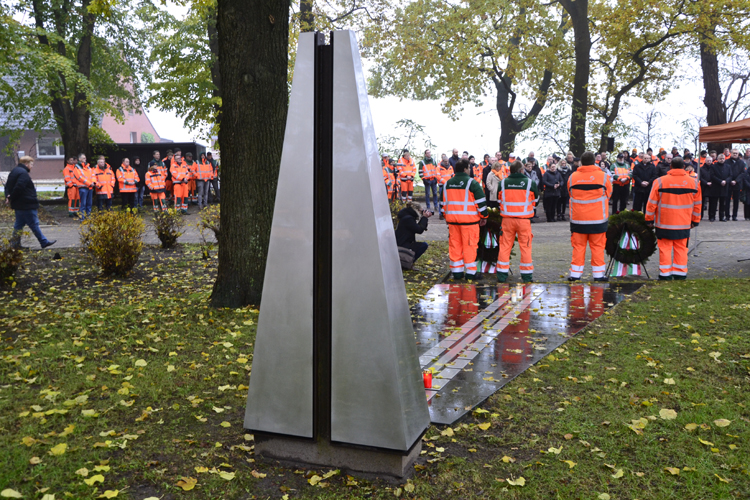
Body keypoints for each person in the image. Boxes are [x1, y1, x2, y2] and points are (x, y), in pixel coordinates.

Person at [645, 157, 701, 280]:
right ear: (684, 167)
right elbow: (697, 205)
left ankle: (665, 274)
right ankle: (680, 273)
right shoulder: (694, 183)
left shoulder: (659, 181)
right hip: (684, 223)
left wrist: (649, 219)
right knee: (681, 248)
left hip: (664, 223)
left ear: (670, 167)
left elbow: (651, 203)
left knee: (665, 248)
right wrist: (695, 221)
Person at [568, 151, 612, 281]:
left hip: (578, 220)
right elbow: (609, 194)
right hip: (598, 219)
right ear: (595, 161)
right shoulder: (603, 177)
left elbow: (570, 193)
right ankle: (598, 275)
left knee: (578, 247)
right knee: (597, 247)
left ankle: (575, 274)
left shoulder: (572, 177)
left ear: (581, 161)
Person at [442, 159, 487, 280]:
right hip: (469, 222)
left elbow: (443, 203)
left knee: (455, 246)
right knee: (470, 246)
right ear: (466, 169)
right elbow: (481, 203)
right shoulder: (472, 183)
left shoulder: (447, 183)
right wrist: (484, 217)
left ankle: (457, 272)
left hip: (453, 221)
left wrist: (447, 217)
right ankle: (471, 273)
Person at [496, 160, 539, 283]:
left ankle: (502, 275)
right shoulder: (530, 183)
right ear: (522, 170)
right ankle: (526, 276)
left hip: (507, 220)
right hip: (524, 220)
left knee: (505, 246)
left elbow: (498, 200)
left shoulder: (503, 183)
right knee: (525, 247)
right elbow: (535, 200)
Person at [4, 156, 56, 249]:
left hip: (19, 205)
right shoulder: (23, 173)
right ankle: (43, 242)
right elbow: (19, 187)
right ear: (26, 164)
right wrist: (12, 197)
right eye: (31, 164)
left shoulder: (14, 171)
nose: (32, 167)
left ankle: (15, 244)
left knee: (18, 225)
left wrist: (8, 196)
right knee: (34, 224)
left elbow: (7, 186)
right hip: (27, 204)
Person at [708, 153, 731, 221]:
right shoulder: (713, 166)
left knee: (723, 203)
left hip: (724, 187)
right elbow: (712, 176)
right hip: (716, 186)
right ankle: (712, 216)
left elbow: (730, 175)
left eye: (723, 158)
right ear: (717, 159)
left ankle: (721, 217)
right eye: (720, 159)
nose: (722, 160)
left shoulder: (728, 166)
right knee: (713, 203)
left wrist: (726, 181)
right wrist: (720, 181)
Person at [726, 149, 746, 221]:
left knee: (736, 201)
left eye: (736, 153)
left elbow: (743, 173)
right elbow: (726, 172)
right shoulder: (726, 162)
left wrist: (736, 181)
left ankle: (734, 216)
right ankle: (727, 215)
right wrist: (730, 180)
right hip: (728, 183)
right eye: (733, 153)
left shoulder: (741, 163)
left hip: (737, 184)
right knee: (727, 201)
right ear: (731, 153)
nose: (735, 154)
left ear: (738, 154)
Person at [74, 154, 95, 219]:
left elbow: (93, 175)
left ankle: (88, 217)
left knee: (89, 204)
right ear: (79, 159)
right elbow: (80, 178)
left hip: (89, 187)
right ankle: (82, 218)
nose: (85, 159)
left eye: (85, 158)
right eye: (83, 158)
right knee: (83, 204)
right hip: (83, 188)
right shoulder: (77, 167)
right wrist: (90, 183)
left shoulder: (88, 167)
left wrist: (93, 182)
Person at [699, 156, 712, 220]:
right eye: (708, 160)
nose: (709, 162)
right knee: (702, 202)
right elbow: (700, 178)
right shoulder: (701, 169)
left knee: (712, 203)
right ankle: (700, 216)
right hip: (703, 187)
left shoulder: (713, 168)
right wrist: (706, 183)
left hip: (712, 187)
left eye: (710, 161)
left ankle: (711, 216)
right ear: (705, 161)